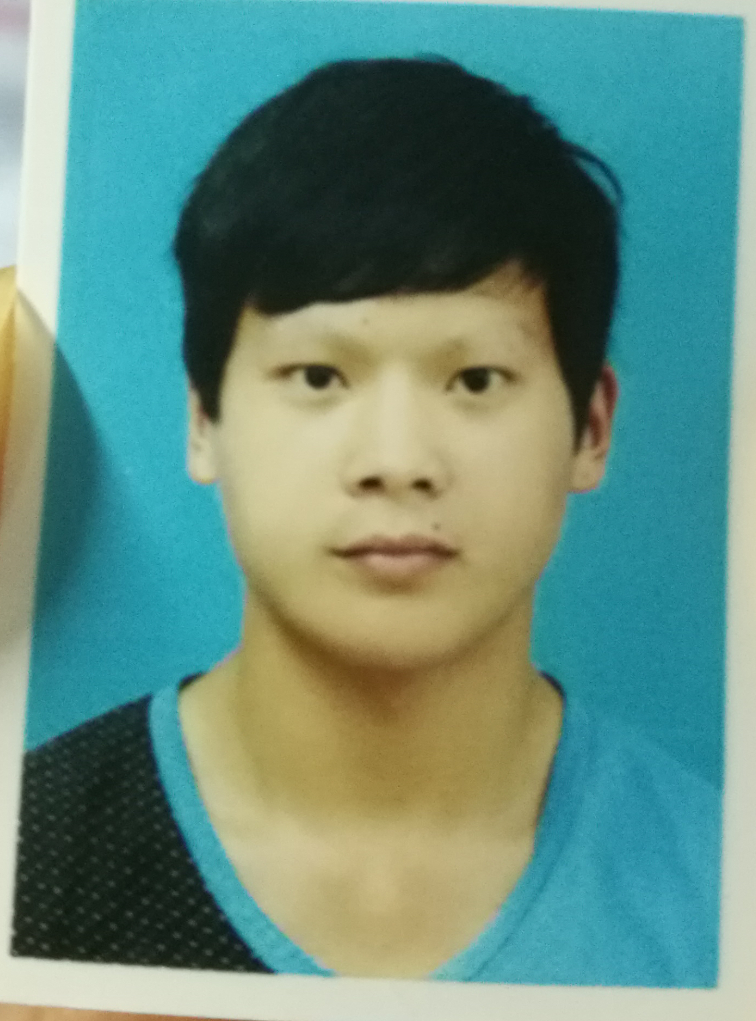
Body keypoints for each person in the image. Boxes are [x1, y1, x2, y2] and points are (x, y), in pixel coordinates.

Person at [11, 57, 720, 986]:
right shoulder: (32, 855)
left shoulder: (718, 897)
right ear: (204, 420)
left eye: (475, 380)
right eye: (319, 376)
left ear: (590, 428)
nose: (397, 460)